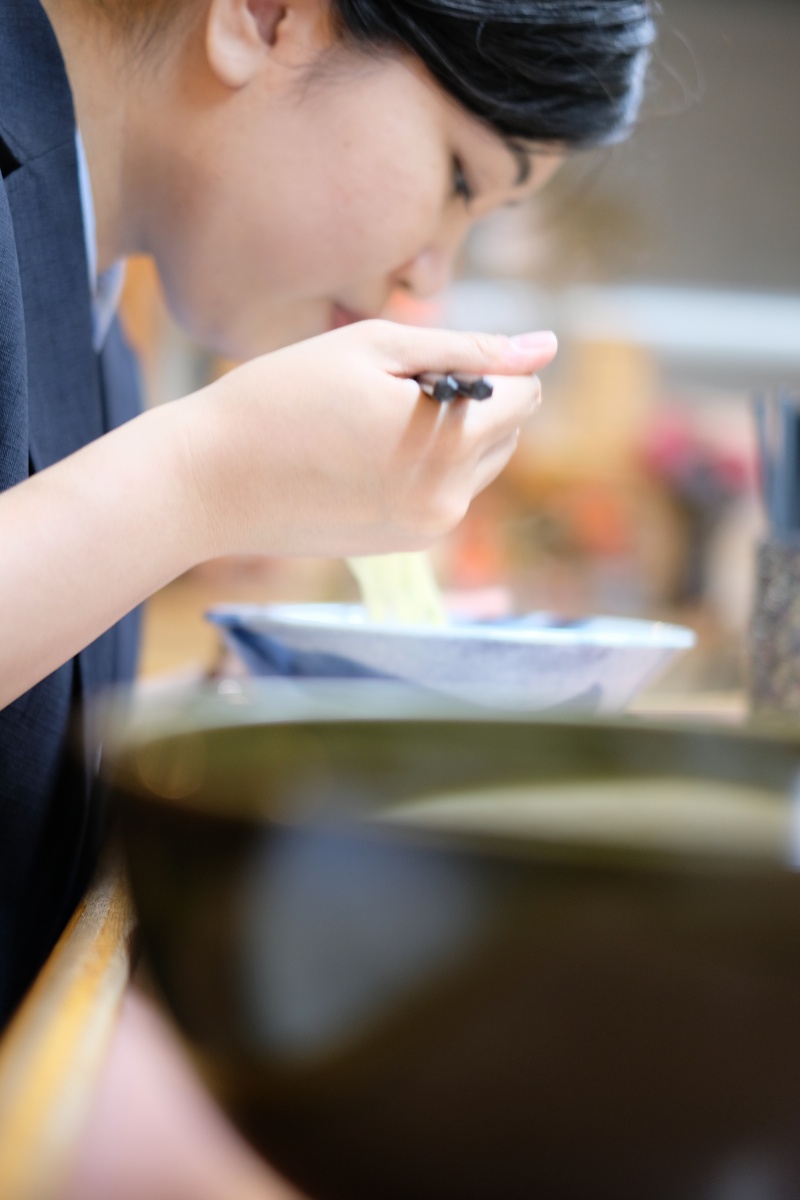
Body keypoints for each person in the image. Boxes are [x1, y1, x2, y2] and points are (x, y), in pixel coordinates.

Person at [0, 0, 654, 1028]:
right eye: (455, 179)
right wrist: (207, 477)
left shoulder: (97, 317)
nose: (429, 275)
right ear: (265, 18)